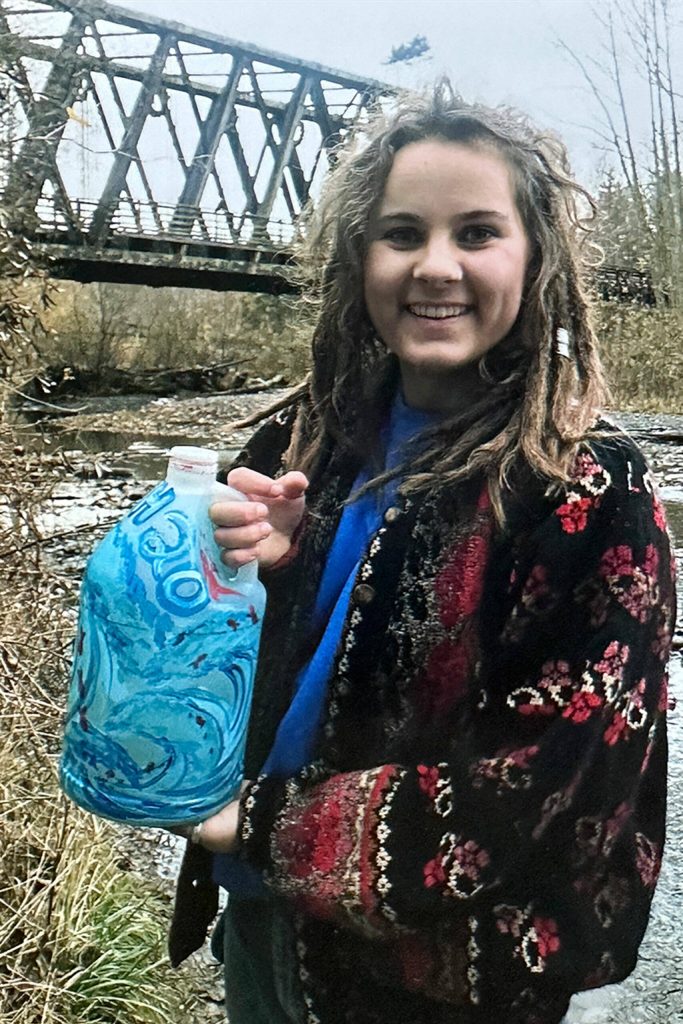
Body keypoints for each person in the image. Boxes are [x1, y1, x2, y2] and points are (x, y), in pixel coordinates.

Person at [168, 83, 677, 1024]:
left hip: (443, 978)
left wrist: (263, 825)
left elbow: (547, 783)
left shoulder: (587, 492)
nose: (434, 266)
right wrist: (257, 575)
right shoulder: (298, 444)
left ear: (538, 260)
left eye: (476, 233)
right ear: (358, 258)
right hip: (261, 920)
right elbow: (191, 672)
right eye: (401, 233)